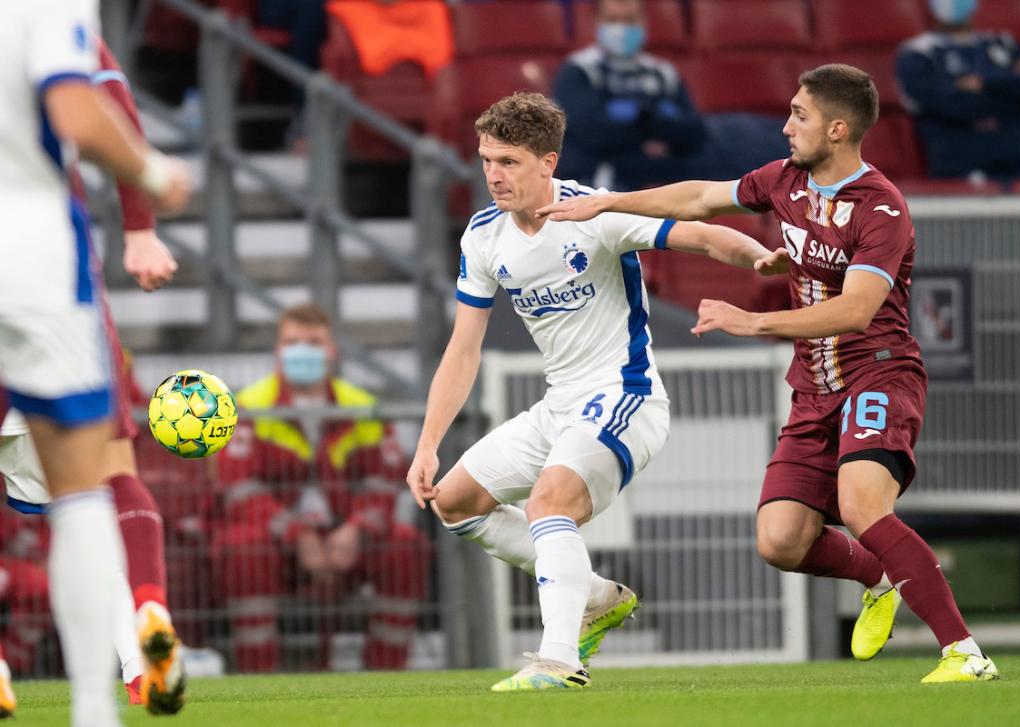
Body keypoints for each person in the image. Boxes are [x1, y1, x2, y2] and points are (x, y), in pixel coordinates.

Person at [538, 64, 999, 684]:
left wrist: (753, 322)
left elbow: (857, 310)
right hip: (813, 389)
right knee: (780, 542)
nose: (786, 126)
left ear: (837, 130)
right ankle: (878, 575)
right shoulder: (786, 180)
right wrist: (608, 203)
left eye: (800, 115)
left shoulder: (882, 208)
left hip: (878, 374)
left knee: (862, 504)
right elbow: (700, 197)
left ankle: (965, 653)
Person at [405, 92, 785, 691]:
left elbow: (703, 236)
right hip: (559, 405)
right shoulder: (483, 236)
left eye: (508, 162)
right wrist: (428, 444)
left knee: (549, 504)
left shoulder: (595, 214)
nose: (493, 175)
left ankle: (559, 661)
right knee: (453, 501)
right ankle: (597, 596)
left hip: (625, 395)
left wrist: (762, 258)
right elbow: (463, 349)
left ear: (547, 163)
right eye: (486, 160)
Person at [0, 1, 190, 725]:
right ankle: (121, 670)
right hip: (36, 259)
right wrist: (151, 186)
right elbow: (85, 106)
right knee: (91, 481)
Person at [213, 303, 430, 672]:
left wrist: (357, 529)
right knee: (242, 547)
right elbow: (239, 488)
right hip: (275, 541)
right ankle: (257, 678)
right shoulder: (247, 406)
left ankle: (386, 675)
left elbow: (383, 480)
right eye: (292, 342)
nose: (302, 351)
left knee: (406, 545)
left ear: (332, 350)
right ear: (277, 351)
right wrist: (295, 533)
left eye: (313, 343)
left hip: (347, 537)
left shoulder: (362, 406)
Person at [553, 0, 705, 192]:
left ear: (644, 21)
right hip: (602, 186)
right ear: (596, 21)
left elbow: (694, 133)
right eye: (613, 20)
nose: (621, 29)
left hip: (667, 182)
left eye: (630, 20)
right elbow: (592, 134)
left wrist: (637, 119)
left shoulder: (663, 73)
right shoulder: (578, 71)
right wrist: (656, 125)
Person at [896, 0, 1020, 179]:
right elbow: (942, 103)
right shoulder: (918, 52)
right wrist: (1014, 98)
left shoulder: (1002, 43)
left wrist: (985, 84)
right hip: (959, 164)